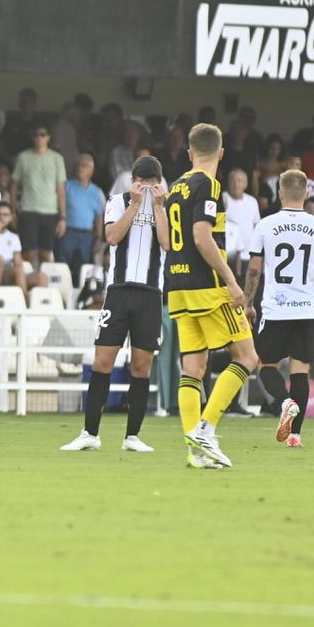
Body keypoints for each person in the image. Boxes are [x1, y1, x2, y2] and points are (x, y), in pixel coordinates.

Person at [165, 123, 261, 470]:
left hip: (177, 287)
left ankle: (195, 450)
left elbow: (169, 239)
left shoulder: (176, 186)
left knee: (194, 367)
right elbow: (202, 236)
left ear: (190, 153)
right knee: (247, 356)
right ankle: (206, 429)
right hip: (207, 287)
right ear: (221, 153)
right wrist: (231, 281)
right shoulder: (208, 184)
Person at [62, 155, 169, 453]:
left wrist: (158, 206)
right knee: (103, 361)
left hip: (150, 293)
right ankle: (89, 433)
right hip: (118, 292)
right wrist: (135, 205)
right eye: (141, 183)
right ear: (132, 181)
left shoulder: (168, 205)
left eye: (151, 183)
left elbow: (168, 243)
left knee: (141, 366)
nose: (146, 188)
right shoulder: (118, 200)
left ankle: (132, 436)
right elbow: (111, 236)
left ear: (159, 183)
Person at [243, 169, 314, 450]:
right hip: (307, 310)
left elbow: (254, 269)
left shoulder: (265, 224)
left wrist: (248, 303)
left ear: (280, 193)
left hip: (276, 309)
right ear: (307, 193)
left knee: (265, 365)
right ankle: (295, 435)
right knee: (301, 370)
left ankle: (285, 403)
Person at [11, 123, 67, 270]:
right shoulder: (23, 157)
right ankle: (27, 281)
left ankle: (42, 284)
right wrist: (13, 211)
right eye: (36, 134)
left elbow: (60, 189)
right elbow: (14, 185)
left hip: (50, 211)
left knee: (46, 253)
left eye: (43, 134)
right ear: (32, 137)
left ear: (48, 137)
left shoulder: (57, 158)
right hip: (29, 210)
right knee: (28, 252)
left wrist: (63, 217)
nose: (39, 138)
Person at [59, 153, 105, 276]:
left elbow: (99, 216)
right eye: (78, 165)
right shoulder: (67, 186)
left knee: (82, 268)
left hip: (87, 236)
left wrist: (99, 238)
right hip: (68, 232)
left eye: (84, 166)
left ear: (91, 170)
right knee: (63, 265)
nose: (80, 168)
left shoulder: (96, 191)